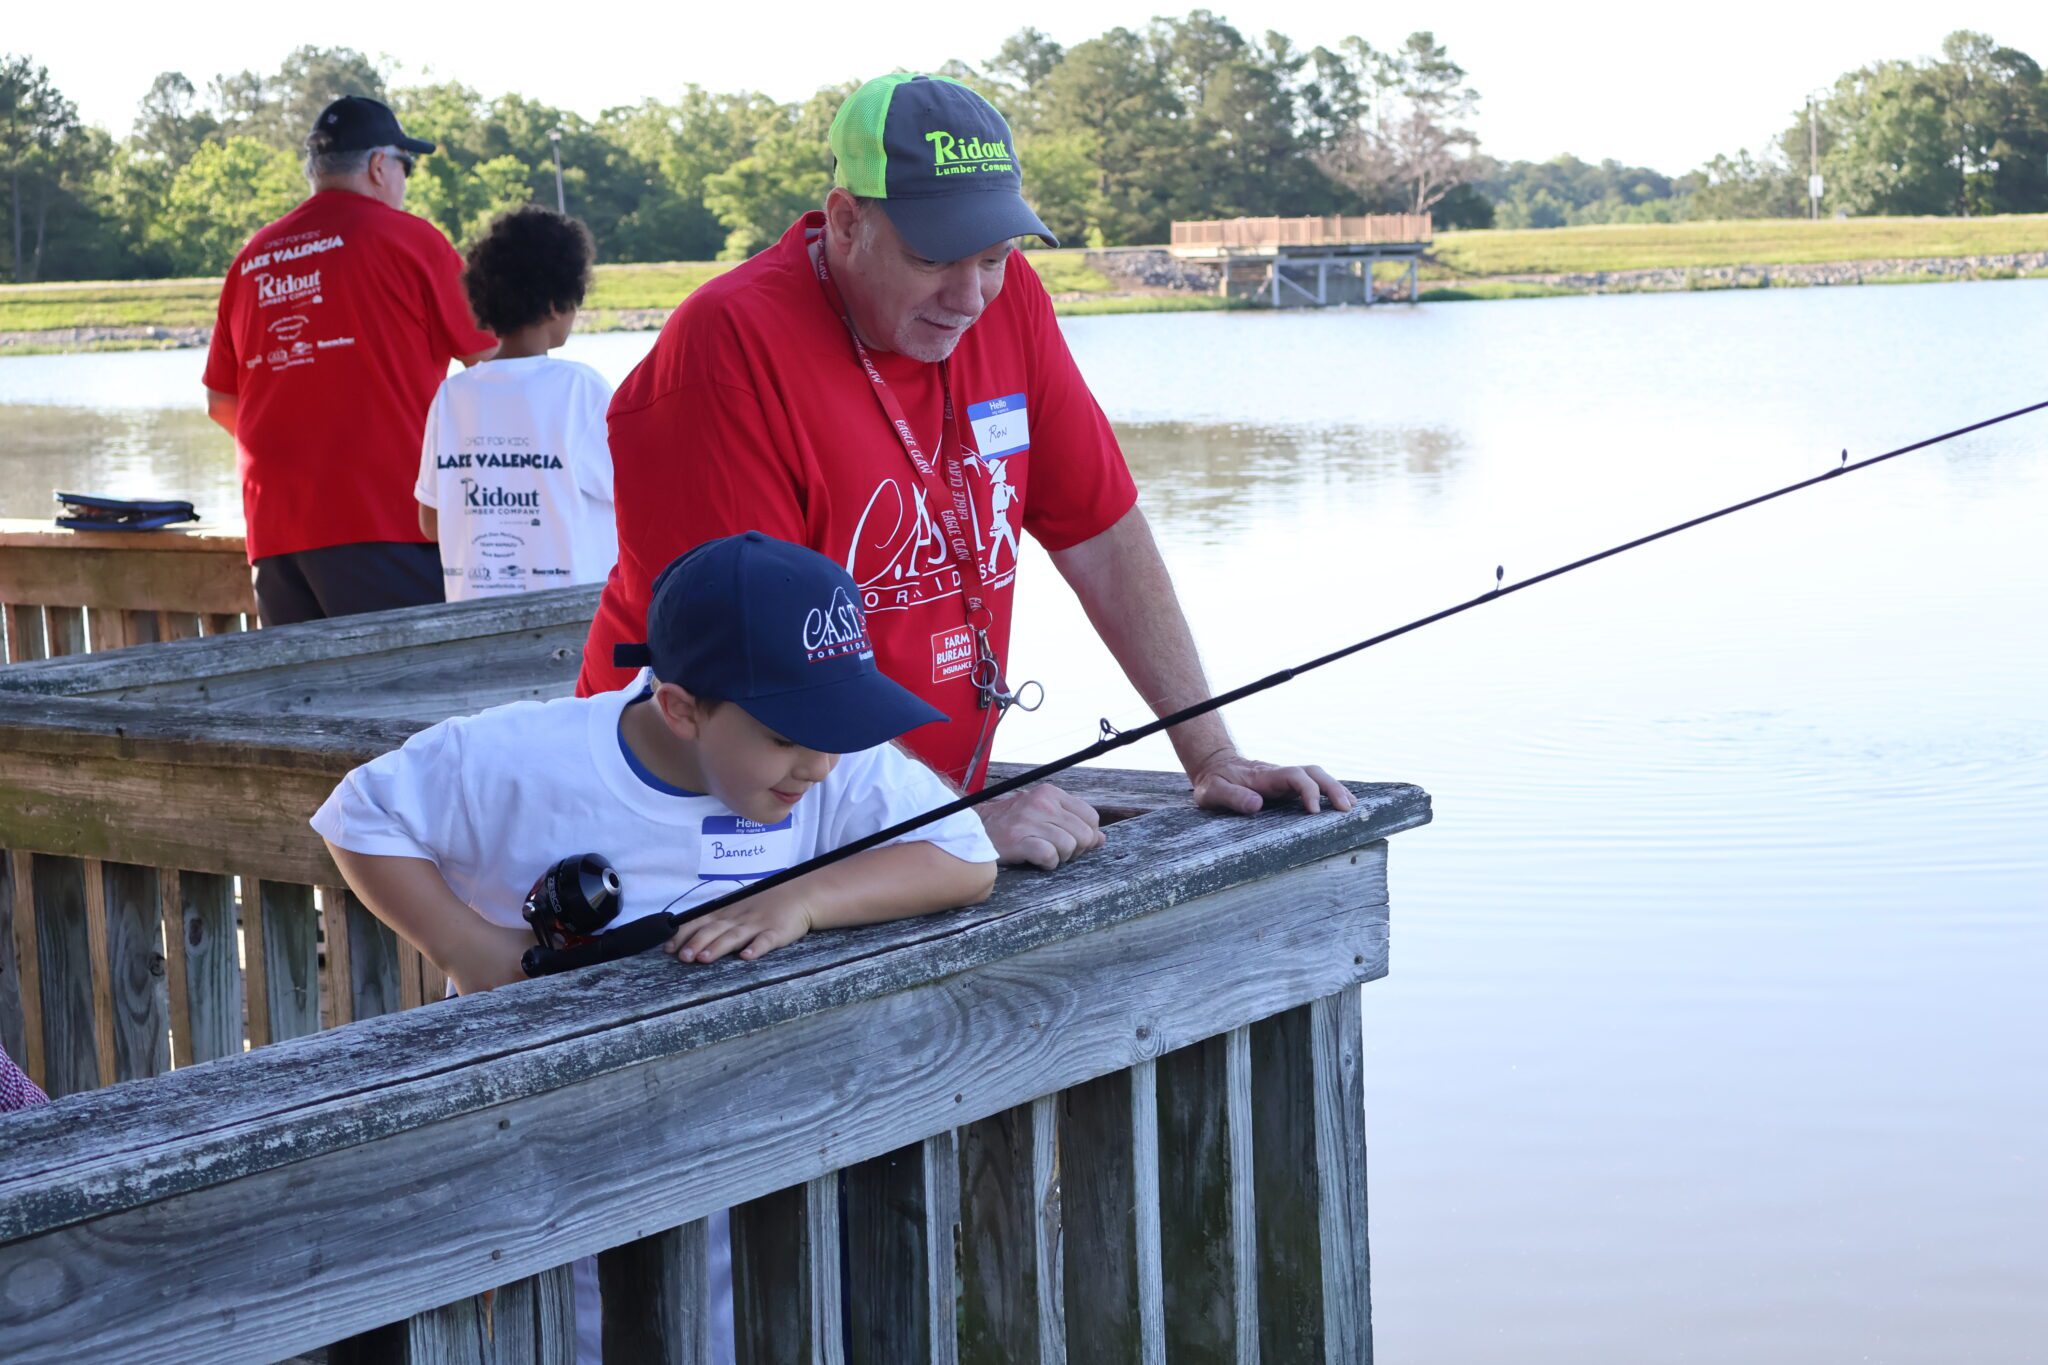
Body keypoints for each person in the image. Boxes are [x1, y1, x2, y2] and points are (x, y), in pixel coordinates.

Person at [577, 73, 1350, 871]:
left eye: (995, 256)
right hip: (691, 822)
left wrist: (1210, 751)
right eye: (934, 257)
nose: (971, 294)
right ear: (846, 222)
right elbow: (749, 671)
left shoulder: (1009, 302)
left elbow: (1103, 534)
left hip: (909, 812)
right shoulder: (728, 349)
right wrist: (947, 814)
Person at [313, 531, 997, 1362]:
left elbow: (964, 855)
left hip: (747, 1174)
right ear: (681, 707)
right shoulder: (527, 754)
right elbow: (360, 813)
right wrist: (472, 950)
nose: (819, 764)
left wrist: (806, 899)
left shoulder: (830, 766)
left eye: (835, 726)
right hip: (543, 1180)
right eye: (787, 733)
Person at [202, 95, 497, 627]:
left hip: (275, 535)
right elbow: (495, 361)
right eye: (406, 166)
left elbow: (222, 402)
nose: (405, 181)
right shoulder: (410, 239)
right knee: (413, 702)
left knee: (310, 704)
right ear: (380, 166)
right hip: (389, 522)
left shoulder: (253, 258)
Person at [417, 205, 616, 601]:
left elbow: (431, 521)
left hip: (475, 625)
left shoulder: (451, 396)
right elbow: (635, 495)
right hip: (569, 623)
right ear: (559, 303)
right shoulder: (579, 389)